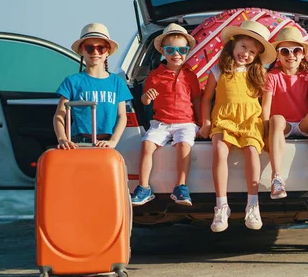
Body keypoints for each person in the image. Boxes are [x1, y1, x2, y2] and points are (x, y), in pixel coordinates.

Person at [197, 20, 276, 233]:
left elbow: (266, 104)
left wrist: (267, 131)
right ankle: (222, 205)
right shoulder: (217, 70)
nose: (246, 54)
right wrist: (205, 122)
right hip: (224, 119)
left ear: (257, 56)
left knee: (252, 151)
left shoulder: (259, 74)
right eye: (243, 47)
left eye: (252, 52)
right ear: (232, 44)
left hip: (250, 120)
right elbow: (206, 100)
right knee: (219, 150)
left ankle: (253, 203)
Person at [130, 24, 201, 207]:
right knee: (146, 144)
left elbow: (197, 100)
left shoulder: (191, 76)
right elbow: (145, 100)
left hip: (186, 123)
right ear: (162, 51)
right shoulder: (155, 76)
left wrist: (201, 123)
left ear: (187, 51)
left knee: (183, 146)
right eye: (171, 50)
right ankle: (144, 187)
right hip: (161, 122)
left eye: (182, 50)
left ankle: (180, 186)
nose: (176, 54)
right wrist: (147, 97)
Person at [261, 26, 308, 199]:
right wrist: (265, 133)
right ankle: (276, 177)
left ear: (303, 54)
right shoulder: (272, 76)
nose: (291, 55)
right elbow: (266, 107)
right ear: (278, 55)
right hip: (281, 127)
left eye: (296, 50)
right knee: (277, 118)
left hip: (303, 124)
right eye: (285, 51)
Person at [53, 23, 133, 150]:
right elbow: (59, 114)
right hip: (77, 142)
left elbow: (122, 116)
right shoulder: (72, 81)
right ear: (81, 51)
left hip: (106, 142)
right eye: (89, 48)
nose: (95, 52)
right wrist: (63, 139)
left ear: (108, 52)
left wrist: (113, 141)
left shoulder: (117, 82)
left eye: (101, 48)